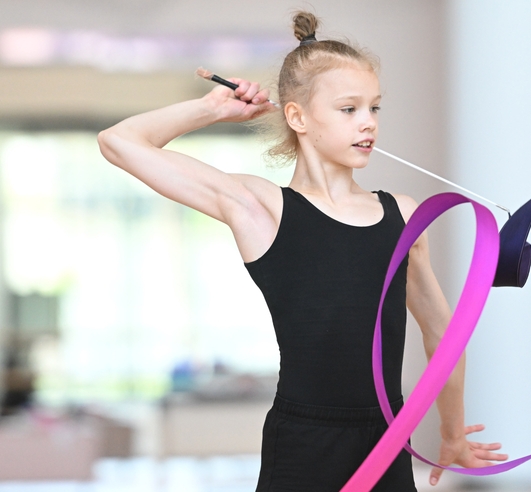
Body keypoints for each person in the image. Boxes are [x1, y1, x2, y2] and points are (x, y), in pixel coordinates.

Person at [98, 11, 507, 491]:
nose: (368, 124)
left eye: (375, 108)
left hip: (387, 439)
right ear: (297, 116)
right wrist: (212, 109)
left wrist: (452, 432)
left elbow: (445, 333)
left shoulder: (403, 215)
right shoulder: (260, 207)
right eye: (348, 109)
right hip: (303, 444)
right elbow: (118, 142)